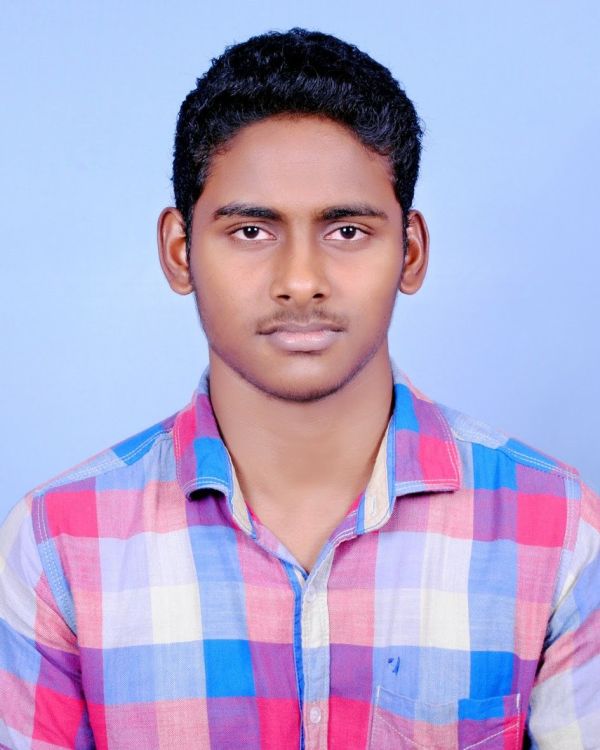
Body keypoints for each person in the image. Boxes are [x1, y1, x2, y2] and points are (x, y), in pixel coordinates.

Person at [0, 27, 598, 750]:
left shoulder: (559, 530)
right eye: (252, 231)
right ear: (179, 252)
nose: (301, 281)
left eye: (346, 231)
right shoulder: (56, 546)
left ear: (410, 252)